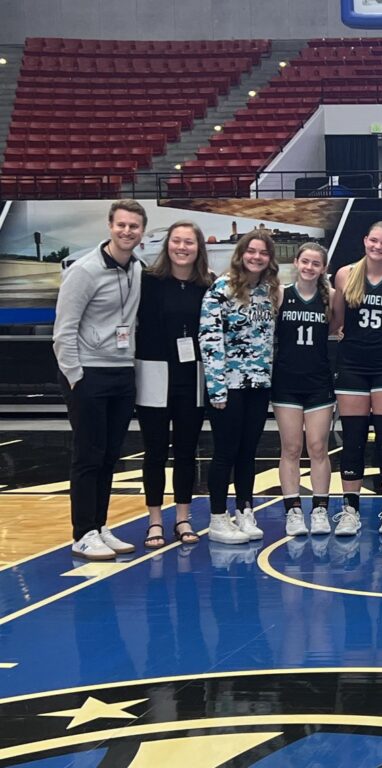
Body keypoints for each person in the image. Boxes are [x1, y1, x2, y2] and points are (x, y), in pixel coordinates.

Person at [55, 200, 146, 560]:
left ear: (141, 231)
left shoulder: (137, 269)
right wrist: (76, 377)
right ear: (110, 226)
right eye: (122, 225)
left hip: (122, 373)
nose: (127, 232)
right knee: (88, 456)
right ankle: (82, 532)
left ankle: (99, 525)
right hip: (88, 374)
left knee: (110, 456)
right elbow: (63, 331)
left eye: (134, 227)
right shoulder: (84, 271)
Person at [331, 222, 382, 536]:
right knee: (352, 438)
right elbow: (338, 319)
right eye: (373, 240)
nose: (378, 247)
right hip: (352, 363)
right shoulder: (345, 274)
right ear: (365, 240)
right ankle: (350, 509)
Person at [199, 230, 279, 544]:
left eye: (263, 253)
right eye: (252, 251)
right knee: (225, 453)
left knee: (248, 452)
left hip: (258, 385)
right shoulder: (221, 288)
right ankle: (218, 517)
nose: (257, 257)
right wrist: (216, 388)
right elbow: (209, 338)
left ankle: (245, 509)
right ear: (241, 253)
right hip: (228, 386)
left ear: (270, 259)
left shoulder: (270, 290)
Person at [135, 220, 210, 549]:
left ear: (198, 248)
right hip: (152, 372)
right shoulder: (148, 282)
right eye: (177, 241)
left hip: (191, 375)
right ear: (168, 245)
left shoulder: (207, 285)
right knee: (154, 451)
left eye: (189, 242)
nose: (182, 247)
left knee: (185, 450)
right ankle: (154, 519)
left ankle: (182, 517)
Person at [273, 242, 336, 537]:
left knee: (318, 447)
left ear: (323, 268)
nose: (310, 267)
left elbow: (337, 328)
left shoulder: (331, 297)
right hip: (286, 382)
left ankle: (320, 509)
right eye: (305, 261)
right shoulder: (281, 294)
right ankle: (293, 510)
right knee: (291, 448)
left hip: (318, 381)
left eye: (316, 263)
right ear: (296, 262)